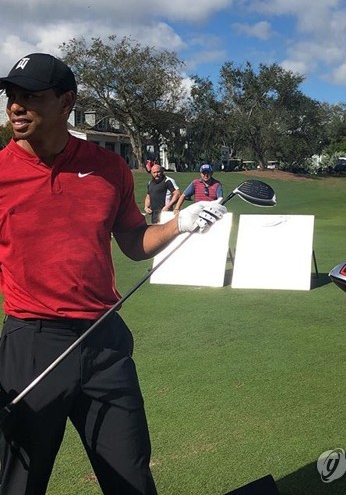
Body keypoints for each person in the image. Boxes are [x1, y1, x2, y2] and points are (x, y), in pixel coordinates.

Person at [0, 53, 226, 495]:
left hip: (105, 340)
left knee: (132, 477)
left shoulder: (109, 168)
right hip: (31, 342)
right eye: (12, 96)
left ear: (66, 103)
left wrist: (179, 223)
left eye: (31, 96)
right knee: (18, 482)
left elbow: (134, 243)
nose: (16, 106)